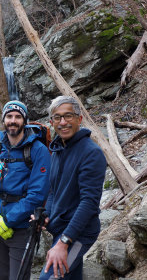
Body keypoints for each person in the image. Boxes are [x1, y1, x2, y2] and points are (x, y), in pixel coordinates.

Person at [0, 100, 51, 280]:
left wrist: (8, 221)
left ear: (24, 121)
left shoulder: (38, 150)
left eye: (18, 117)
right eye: (9, 116)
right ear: (3, 120)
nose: (13, 120)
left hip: (23, 228)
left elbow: (37, 194)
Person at [38, 95, 107, 280]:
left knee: (49, 278)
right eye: (57, 117)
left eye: (68, 116)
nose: (63, 122)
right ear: (51, 122)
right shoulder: (58, 150)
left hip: (79, 233)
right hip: (61, 228)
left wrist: (63, 242)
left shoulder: (91, 153)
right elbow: (54, 190)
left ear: (79, 118)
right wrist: (46, 215)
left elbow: (89, 203)